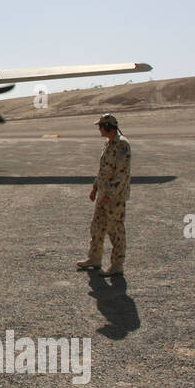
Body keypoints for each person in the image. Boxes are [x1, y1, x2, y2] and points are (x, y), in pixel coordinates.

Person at [77, 114, 130, 276]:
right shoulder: (108, 144)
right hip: (103, 195)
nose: (99, 129)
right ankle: (94, 258)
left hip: (114, 198)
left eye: (100, 126)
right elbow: (103, 171)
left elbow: (121, 174)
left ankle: (117, 265)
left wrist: (111, 195)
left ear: (108, 127)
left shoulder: (122, 145)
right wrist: (95, 188)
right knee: (97, 228)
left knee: (115, 230)